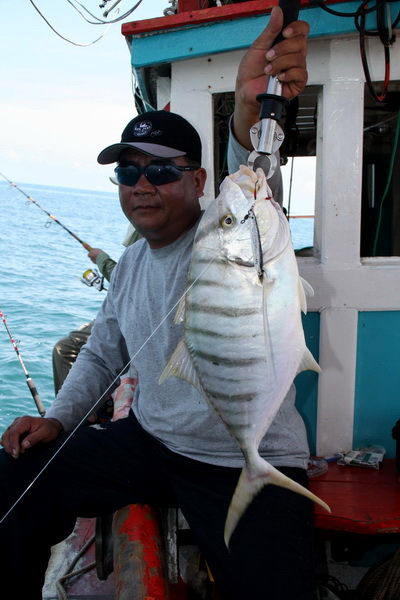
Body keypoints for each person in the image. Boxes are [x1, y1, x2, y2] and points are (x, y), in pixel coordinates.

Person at [0, 9, 311, 599]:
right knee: (17, 473)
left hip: (248, 457)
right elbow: (100, 351)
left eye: (162, 170)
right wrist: (60, 419)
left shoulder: (227, 236)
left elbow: (253, 169)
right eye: (128, 171)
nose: (141, 184)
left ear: (198, 183)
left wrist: (252, 110)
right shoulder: (135, 263)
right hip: (153, 442)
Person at [52, 223, 141, 395]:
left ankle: (78, 415)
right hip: (128, 314)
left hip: (132, 318)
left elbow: (124, 280)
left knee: (64, 349)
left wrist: (101, 258)